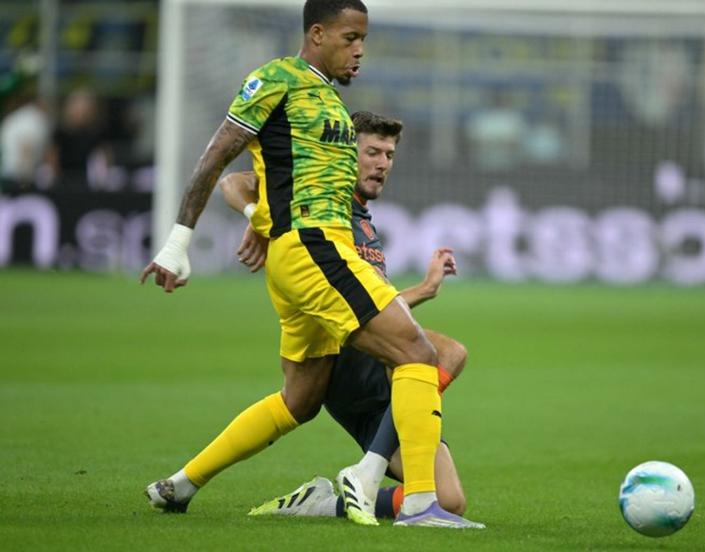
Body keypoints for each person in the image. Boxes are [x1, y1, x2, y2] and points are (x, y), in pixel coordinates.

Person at [140, 0, 482, 529]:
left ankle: (180, 485)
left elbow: (285, 175)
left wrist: (264, 220)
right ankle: (417, 505)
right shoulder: (276, 79)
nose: (360, 50)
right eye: (350, 38)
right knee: (420, 351)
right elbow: (219, 157)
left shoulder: (327, 102)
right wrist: (177, 242)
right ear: (317, 33)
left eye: (363, 39)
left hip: (304, 254)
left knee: (299, 400)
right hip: (314, 249)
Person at [219, 111, 477, 524]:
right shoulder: (322, 210)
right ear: (343, 154)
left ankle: (325, 502)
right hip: (353, 367)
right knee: (448, 353)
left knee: (449, 501)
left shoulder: (363, 221)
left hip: (387, 371)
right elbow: (232, 182)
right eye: (372, 151)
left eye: (389, 155)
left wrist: (423, 291)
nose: (382, 163)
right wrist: (260, 220)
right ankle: (369, 469)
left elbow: (376, 308)